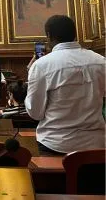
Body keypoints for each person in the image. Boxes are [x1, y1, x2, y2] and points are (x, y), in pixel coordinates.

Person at [25, 15, 105, 154]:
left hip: (55, 144)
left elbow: (35, 112)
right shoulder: (100, 61)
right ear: (75, 34)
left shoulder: (41, 66)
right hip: (95, 144)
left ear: (49, 36)